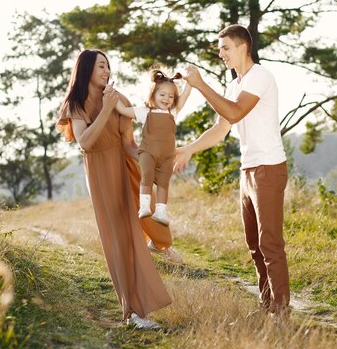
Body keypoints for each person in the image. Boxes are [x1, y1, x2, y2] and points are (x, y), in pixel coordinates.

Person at [56, 49, 181, 329]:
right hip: (101, 172)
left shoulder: (119, 98)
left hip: (126, 166)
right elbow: (85, 142)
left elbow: (128, 144)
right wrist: (106, 108)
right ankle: (132, 312)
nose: (107, 71)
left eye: (108, 66)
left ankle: (160, 245)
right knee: (118, 240)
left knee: (135, 231)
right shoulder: (75, 104)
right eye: (101, 66)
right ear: (86, 69)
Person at [175, 24, 290, 315]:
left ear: (242, 47)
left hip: (268, 167)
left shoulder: (261, 76)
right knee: (254, 244)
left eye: (225, 47)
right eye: (219, 48)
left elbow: (236, 112)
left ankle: (282, 311)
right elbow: (221, 128)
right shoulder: (233, 84)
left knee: (270, 243)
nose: (220, 53)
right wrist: (189, 148)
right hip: (247, 170)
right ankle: (267, 306)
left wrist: (200, 85)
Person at [115, 69, 192, 226]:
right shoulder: (145, 112)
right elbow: (122, 110)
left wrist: (190, 83)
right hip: (148, 153)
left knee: (164, 183)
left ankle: (161, 212)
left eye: (171, 96)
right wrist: (111, 95)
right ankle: (144, 207)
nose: (167, 99)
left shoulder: (173, 112)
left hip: (167, 156)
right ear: (153, 95)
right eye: (162, 95)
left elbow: (185, 96)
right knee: (147, 176)